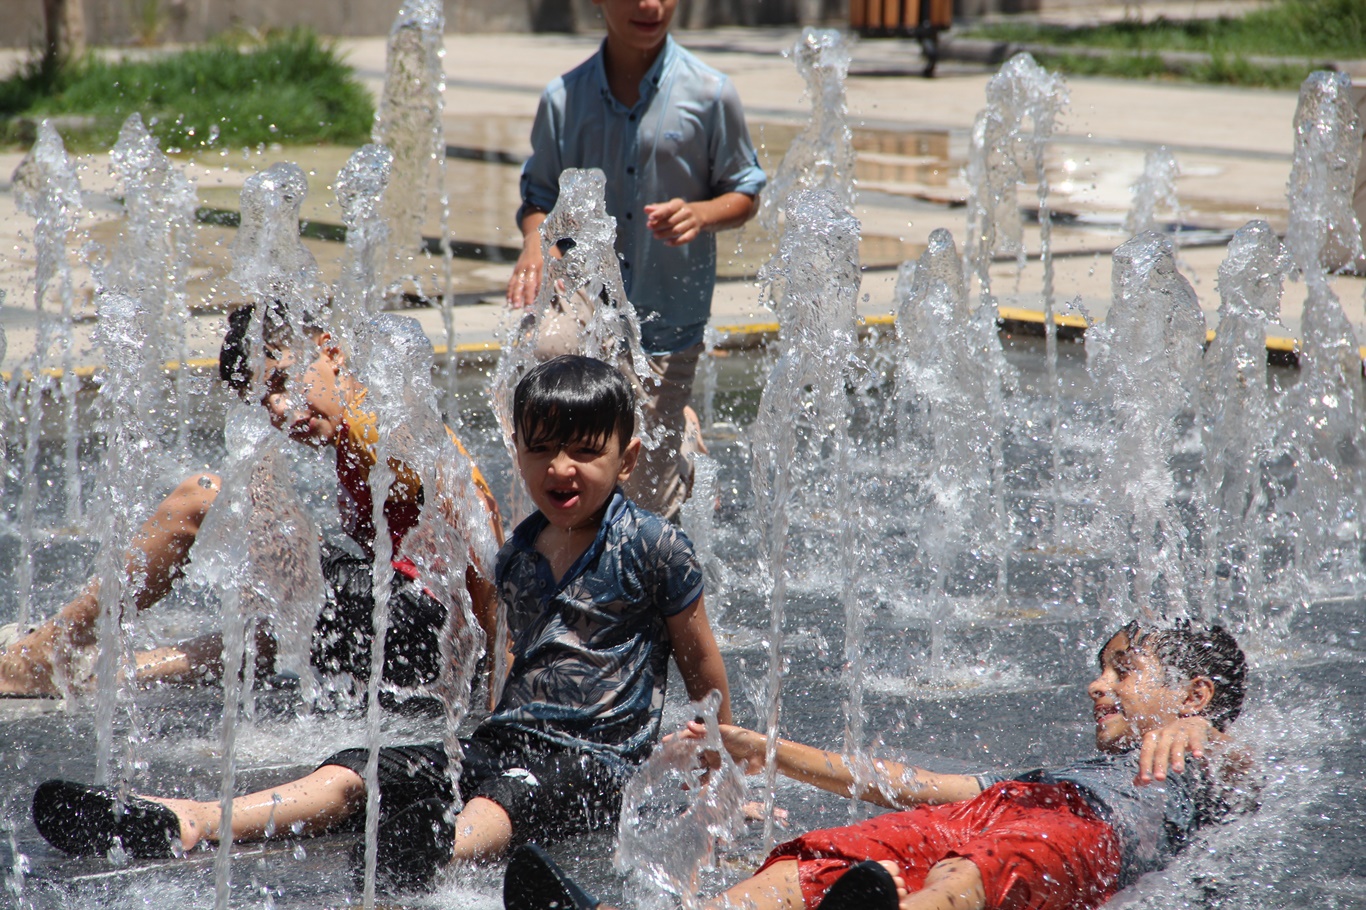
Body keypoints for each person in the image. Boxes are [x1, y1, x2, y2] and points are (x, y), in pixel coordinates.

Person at [30, 354, 733, 894]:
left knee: (509, 794)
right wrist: (480, 723)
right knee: (357, 770)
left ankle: (435, 847)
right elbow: (511, 659)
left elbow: (705, 672)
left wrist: (718, 791)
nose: (560, 468)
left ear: (627, 458)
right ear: (516, 447)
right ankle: (193, 819)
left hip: (600, 762)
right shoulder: (522, 552)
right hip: (508, 736)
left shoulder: (652, 546)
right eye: (541, 448)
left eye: (584, 450)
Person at [504, 621, 1256, 910]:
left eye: (1123, 669)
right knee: (821, 859)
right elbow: (900, 781)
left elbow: (1254, 770)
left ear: (1194, 691)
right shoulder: (1050, 767)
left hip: (1085, 831)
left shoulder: (1199, 758)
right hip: (1001, 808)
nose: (1099, 684)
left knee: (976, 869)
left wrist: (1204, 735)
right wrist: (761, 750)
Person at [0, 302, 503, 697]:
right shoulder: (364, 420)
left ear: (330, 351)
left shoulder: (377, 425)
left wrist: (490, 679)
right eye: (264, 399)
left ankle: (49, 651)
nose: (281, 409)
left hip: (422, 631)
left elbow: (482, 536)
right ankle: (106, 671)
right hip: (411, 630)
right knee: (261, 563)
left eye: (283, 381)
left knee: (201, 499)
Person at [506, 0, 766, 519]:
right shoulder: (563, 99)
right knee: (561, 410)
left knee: (647, 503)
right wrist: (535, 242)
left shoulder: (710, 93)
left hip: (666, 316)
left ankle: (682, 441)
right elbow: (538, 197)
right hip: (586, 305)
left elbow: (745, 190)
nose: (649, 5)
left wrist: (701, 213)